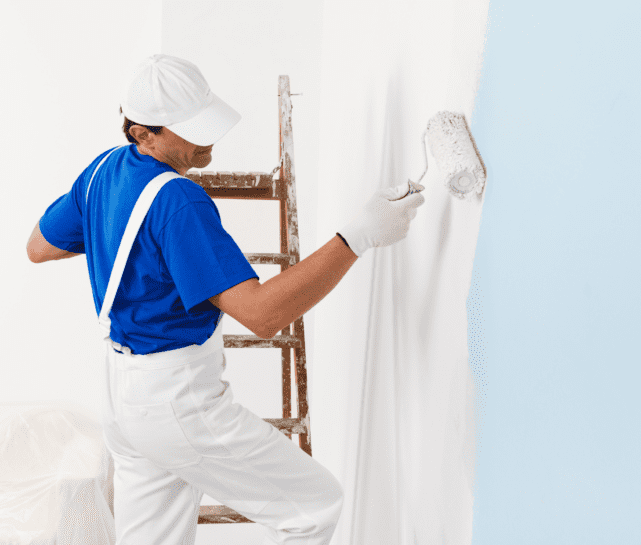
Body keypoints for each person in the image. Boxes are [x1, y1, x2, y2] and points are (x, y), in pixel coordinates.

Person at [25, 54, 425, 545]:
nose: (205, 138)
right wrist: (358, 236)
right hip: (176, 402)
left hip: (123, 397)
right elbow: (263, 314)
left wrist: (121, 238)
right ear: (142, 133)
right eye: (188, 129)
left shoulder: (102, 171)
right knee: (315, 507)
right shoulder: (178, 202)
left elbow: (39, 247)